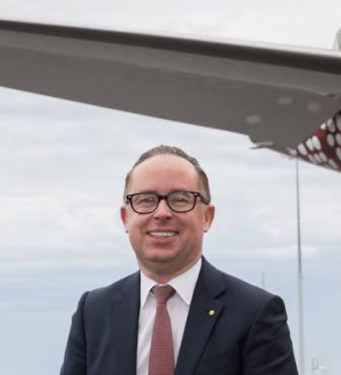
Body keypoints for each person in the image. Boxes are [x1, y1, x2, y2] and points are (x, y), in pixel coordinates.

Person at [60, 145, 299, 375]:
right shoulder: (93, 312)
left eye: (181, 199)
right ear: (125, 218)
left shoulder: (255, 312)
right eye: (146, 199)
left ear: (207, 217)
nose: (162, 212)